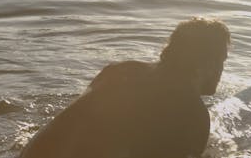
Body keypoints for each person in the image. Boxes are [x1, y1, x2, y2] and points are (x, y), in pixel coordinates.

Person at [19, 17, 230, 158]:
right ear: (209, 63)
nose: (221, 70)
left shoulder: (119, 70)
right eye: (223, 60)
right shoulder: (192, 112)